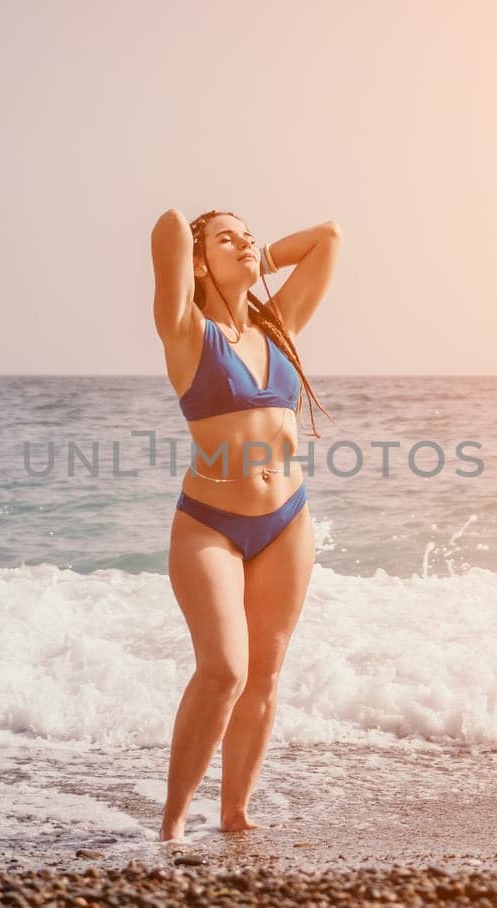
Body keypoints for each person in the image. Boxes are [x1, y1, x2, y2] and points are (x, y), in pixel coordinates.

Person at [149, 207, 341, 841]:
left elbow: (326, 239)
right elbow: (171, 226)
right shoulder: (185, 330)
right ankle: (173, 823)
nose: (246, 240)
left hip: (288, 520)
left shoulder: (277, 326)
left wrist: (257, 261)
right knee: (224, 669)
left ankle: (234, 815)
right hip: (210, 523)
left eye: (248, 232)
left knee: (264, 671)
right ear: (200, 260)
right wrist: (205, 244)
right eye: (228, 237)